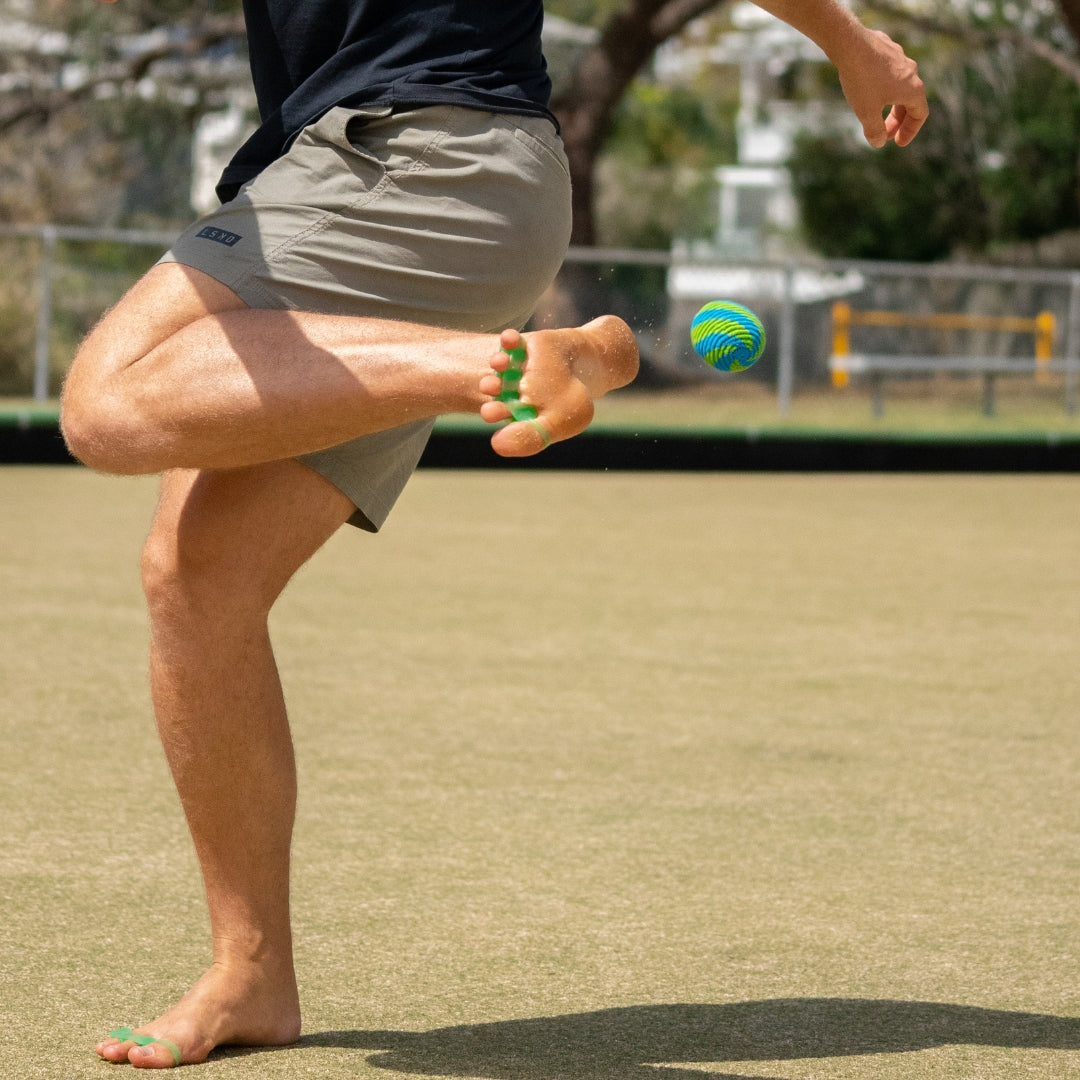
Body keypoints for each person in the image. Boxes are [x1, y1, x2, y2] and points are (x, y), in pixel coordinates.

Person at [65, 0, 928, 1067]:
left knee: (109, 404)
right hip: (383, 171)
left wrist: (847, 40)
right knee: (196, 580)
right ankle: (252, 977)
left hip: (415, 165)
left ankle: (517, 363)